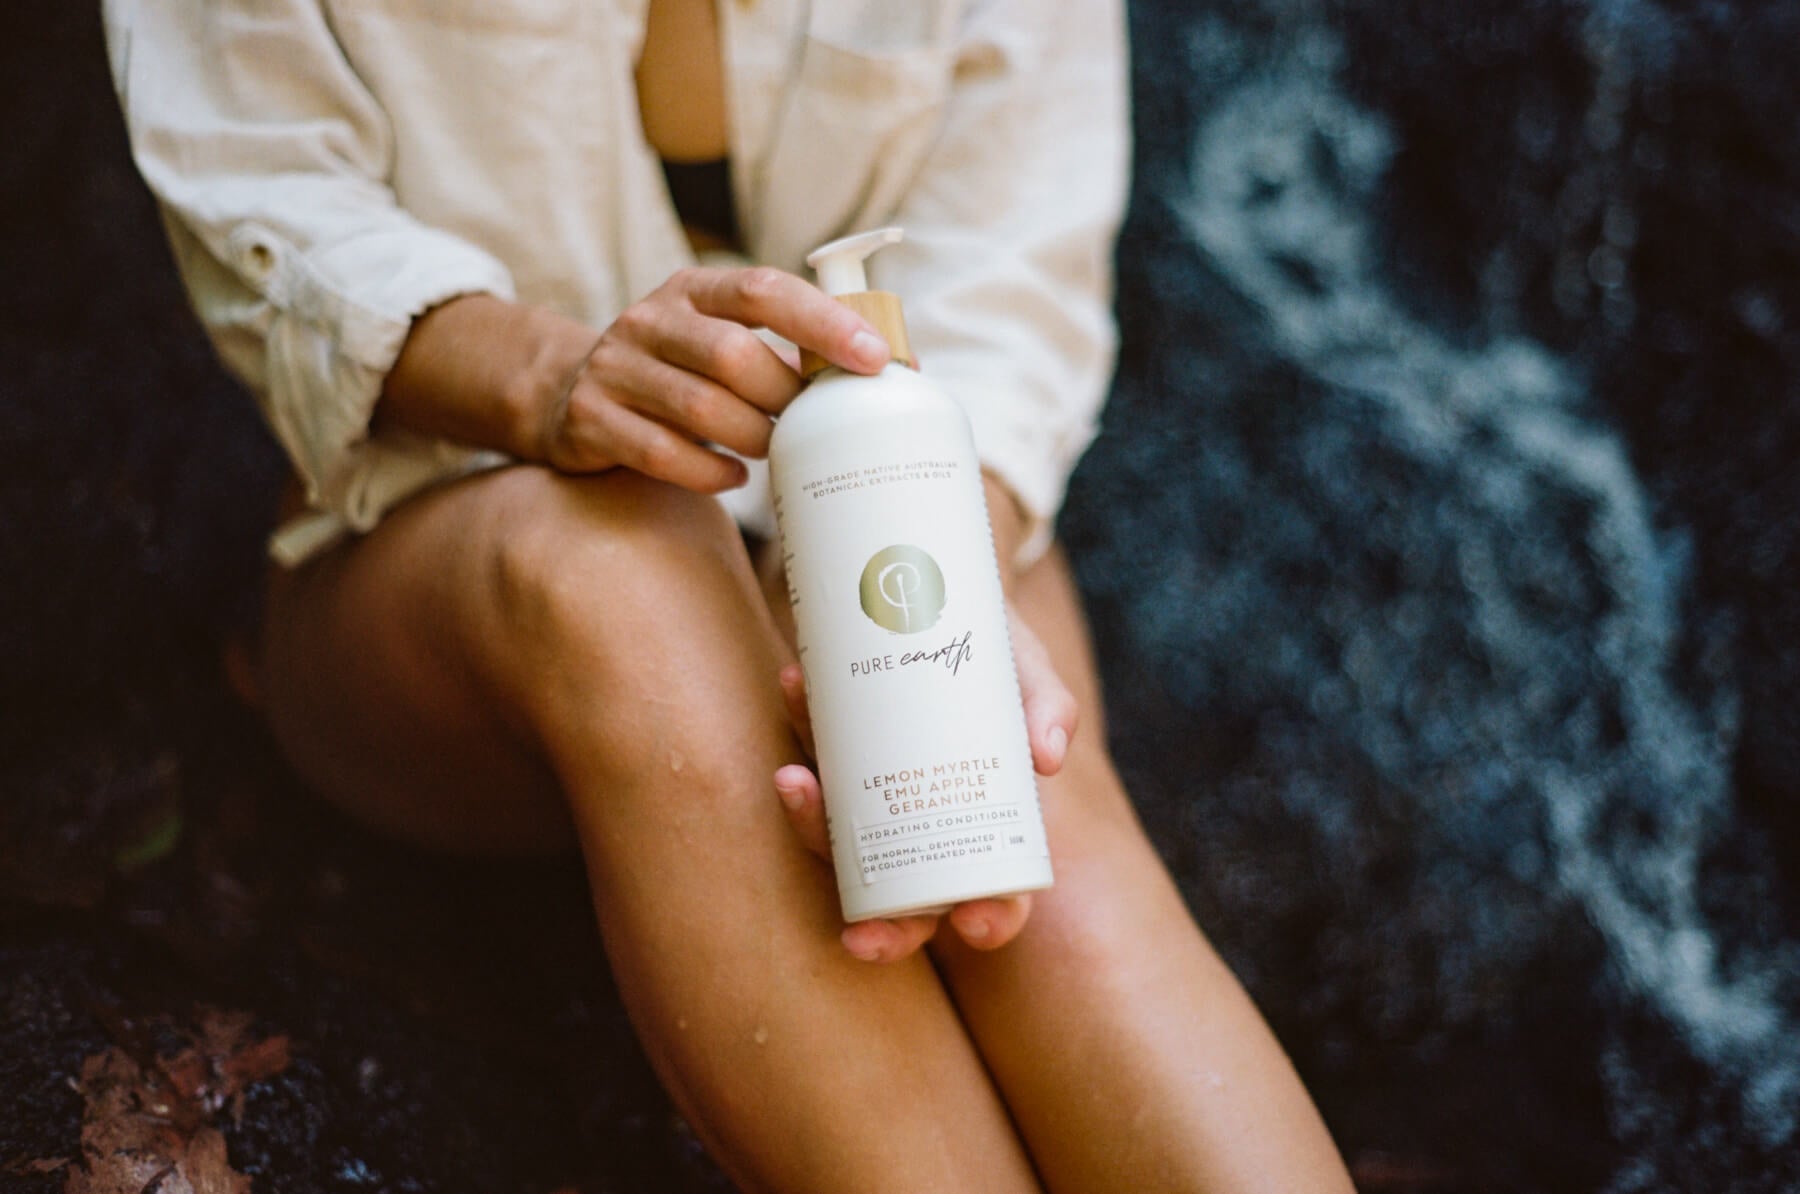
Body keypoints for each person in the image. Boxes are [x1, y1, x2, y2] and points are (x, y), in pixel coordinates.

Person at [104, 0, 1355, 1188]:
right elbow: (261, 182)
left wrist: (921, 593)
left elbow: (1013, 273)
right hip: (450, 556)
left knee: (1017, 809)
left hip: (891, 492)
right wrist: (550, 376)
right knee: (616, 570)